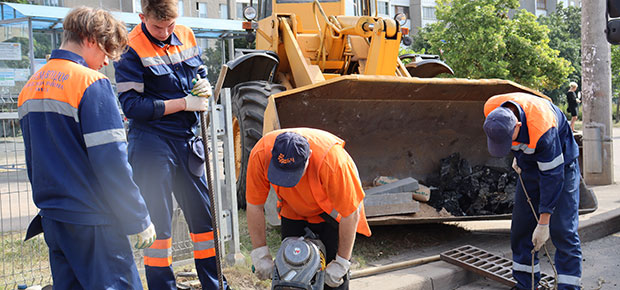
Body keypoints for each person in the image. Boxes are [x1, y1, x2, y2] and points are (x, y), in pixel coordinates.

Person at [18, 7, 156, 289]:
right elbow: (112, 163)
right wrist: (138, 216)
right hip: (94, 222)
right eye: (106, 51)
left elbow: (35, 159)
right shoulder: (90, 83)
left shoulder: (30, 86)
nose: (106, 61)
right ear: (91, 39)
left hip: (54, 220)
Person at [113, 0, 226, 289]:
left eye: (170, 25)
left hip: (187, 141)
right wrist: (183, 103)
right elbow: (132, 106)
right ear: (142, 17)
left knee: (204, 221)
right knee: (159, 227)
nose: (164, 32)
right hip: (151, 143)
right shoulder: (130, 47)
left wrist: (203, 84)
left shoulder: (186, 34)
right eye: (157, 26)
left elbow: (198, 71)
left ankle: (215, 284)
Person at [245, 128, 372, 290]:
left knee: (333, 282)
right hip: (292, 209)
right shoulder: (261, 153)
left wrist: (341, 262)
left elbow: (351, 213)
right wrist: (260, 253)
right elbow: (254, 205)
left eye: (293, 174)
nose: (289, 180)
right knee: (290, 272)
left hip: (331, 213)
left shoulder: (333, 161)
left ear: (309, 156)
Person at [483, 92, 582, 290]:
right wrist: (518, 155)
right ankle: (526, 284)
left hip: (561, 165)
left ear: (518, 126)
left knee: (562, 230)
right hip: (529, 165)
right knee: (521, 228)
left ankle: (569, 286)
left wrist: (544, 222)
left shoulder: (543, 129)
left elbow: (552, 178)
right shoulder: (491, 109)